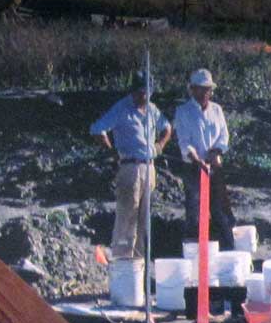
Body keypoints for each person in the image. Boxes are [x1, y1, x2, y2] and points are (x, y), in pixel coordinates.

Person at [90, 73, 171, 261]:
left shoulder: (152, 109)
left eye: (146, 93)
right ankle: (122, 261)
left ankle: (139, 264)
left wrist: (160, 145)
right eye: (140, 93)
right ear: (133, 91)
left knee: (144, 219)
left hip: (149, 167)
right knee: (127, 217)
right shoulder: (121, 108)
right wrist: (112, 151)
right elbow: (97, 129)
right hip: (130, 167)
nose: (143, 97)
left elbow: (167, 127)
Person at [173, 67, 236, 249]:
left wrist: (216, 152)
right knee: (194, 211)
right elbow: (185, 142)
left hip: (214, 167)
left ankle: (228, 250)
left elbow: (224, 135)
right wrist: (198, 160)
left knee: (220, 210)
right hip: (193, 167)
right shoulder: (183, 111)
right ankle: (193, 255)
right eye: (199, 88)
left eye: (206, 89)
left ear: (210, 90)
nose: (203, 93)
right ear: (192, 89)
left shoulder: (217, 110)